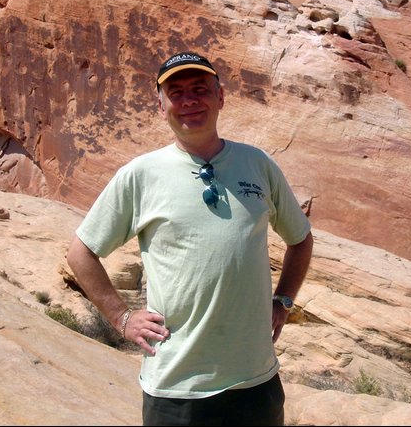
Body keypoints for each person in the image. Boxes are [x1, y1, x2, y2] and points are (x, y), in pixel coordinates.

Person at [67, 51, 314, 426]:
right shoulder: (141, 174)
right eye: (176, 92)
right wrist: (122, 318)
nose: (189, 101)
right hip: (177, 388)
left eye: (200, 89)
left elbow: (300, 238)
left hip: (255, 379)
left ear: (221, 97)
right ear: (162, 103)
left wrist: (283, 299)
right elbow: (81, 252)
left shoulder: (257, 164)